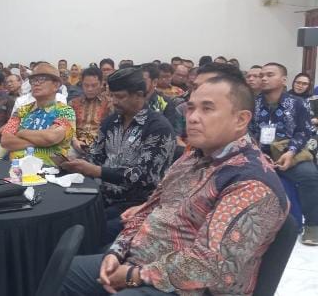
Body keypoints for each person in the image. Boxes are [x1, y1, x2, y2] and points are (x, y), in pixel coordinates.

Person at [60, 74, 288, 296]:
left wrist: (134, 274)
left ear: (240, 120)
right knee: (60, 272)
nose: (193, 117)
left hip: (188, 287)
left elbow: (212, 265)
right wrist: (116, 252)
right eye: (191, 108)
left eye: (207, 109)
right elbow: (150, 207)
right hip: (141, 260)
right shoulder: (193, 157)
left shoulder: (250, 182)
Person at [62, 68, 175, 243]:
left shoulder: (158, 127)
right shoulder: (111, 121)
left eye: (119, 97)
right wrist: (75, 163)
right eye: (111, 96)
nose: (113, 101)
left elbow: (145, 177)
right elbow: (95, 155)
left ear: (139, 95)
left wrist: (97, 171)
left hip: (138, 204)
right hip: (103, 196)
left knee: (87, 234)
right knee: (67, 222)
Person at [250, 62, 318, 245]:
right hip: (258, 152)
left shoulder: (297, 103)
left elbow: (304, 131)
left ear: (283, 79)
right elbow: (247, 132)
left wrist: (291, 152)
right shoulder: (252, 103)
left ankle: (313, 225)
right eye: (261, 75)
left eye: (269, 75)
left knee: (309, 175)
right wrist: (257, 153)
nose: (263, 78)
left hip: (289, 151)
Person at [1, 62, 76, 166]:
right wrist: (42, 143)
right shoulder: (22, 110)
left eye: (42, 79)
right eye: (33, 80)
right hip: (16, 171)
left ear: (56, 85)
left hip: (48, 172)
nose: (35, 83)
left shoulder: (65, 111)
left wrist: (21, 132)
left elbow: (51, 137)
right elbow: (5, 140)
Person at [69, 67, 113, 155]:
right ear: (81, 84)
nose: (90, 89)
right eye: (86, 85)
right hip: (76, 145)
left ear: (101, 84)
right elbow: (68, 126)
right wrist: (74, 141)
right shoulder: (73, 103)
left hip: (101, 147)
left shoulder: (109, 104)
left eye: (94, 85)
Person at [141, 64, 178, 133]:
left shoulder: (165, 102)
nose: (138, 83)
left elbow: (168, 130)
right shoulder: (131, 101)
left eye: (143, 80)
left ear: (154, 82)